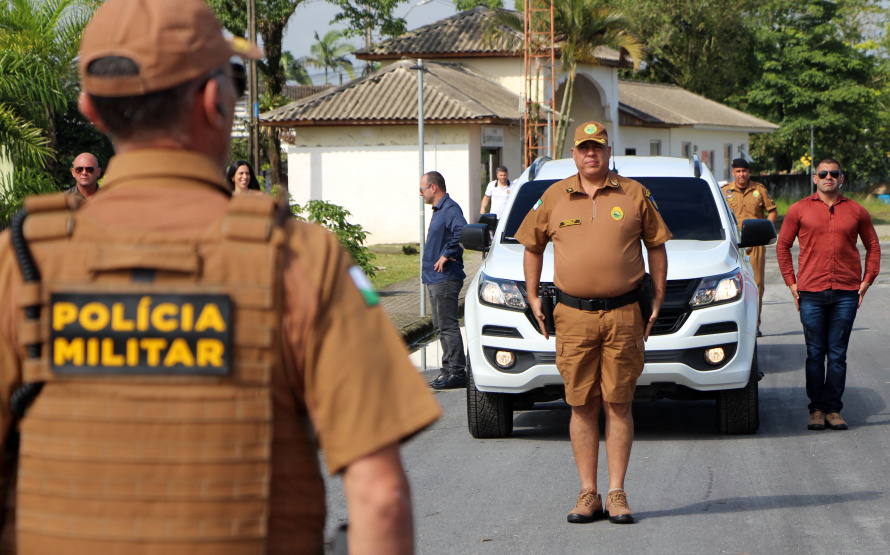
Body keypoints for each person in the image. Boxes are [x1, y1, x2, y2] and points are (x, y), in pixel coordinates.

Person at [0, 0, 441, 553]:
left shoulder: (20, 262)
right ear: (215, 101)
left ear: (91, 109)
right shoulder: (302, 259)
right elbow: (381, 497)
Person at [515, 121, 670, 525]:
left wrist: (658, 297)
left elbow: (656, 246)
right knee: (581, 404)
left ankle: (617, 493)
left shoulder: (634, 194)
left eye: (597, 147)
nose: (591, 154)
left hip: (624, 313)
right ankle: (588, 492)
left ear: (607, 151)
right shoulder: (554, 196)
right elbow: (532, 246)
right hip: (573, 316)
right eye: (584, 148)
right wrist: (532, 296)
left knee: (619, 402)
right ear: (574, 153)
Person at [776, 158, 880, 432]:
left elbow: (873, 245)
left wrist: (867, 280)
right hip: (810, 292)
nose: (828, 177)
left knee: (837, 354)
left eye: (834, 173)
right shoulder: (799, 209)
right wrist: (791, 282)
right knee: (814, 353)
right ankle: (816, 410)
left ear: (841, 178)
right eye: (823, 173)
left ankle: (834, 410)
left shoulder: (856, 210)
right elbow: (783, 246)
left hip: (846, 292)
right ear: (815, 178)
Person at [420, 171, 468, 390]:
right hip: (435, 277)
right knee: (440, 326)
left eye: (422, 189)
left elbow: (462, 230)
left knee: (448, 325)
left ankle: (457, 372)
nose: (420, 193)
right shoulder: (440, 210)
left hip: (445, 278)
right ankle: (447, 370)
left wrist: (447, 254)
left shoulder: (450, 209)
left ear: (433, 187)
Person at [721, 158, 777, 337]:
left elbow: (772, 211)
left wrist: (766, 229)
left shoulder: (758, 190)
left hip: (755, 243)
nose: (741, 174)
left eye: (744, 171)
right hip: (733, 244)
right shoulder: (725, 191)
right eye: (738, 171)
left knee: (757, 284)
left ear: (748, 172)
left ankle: (755, 324)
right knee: (730, 285)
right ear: (733, 173)